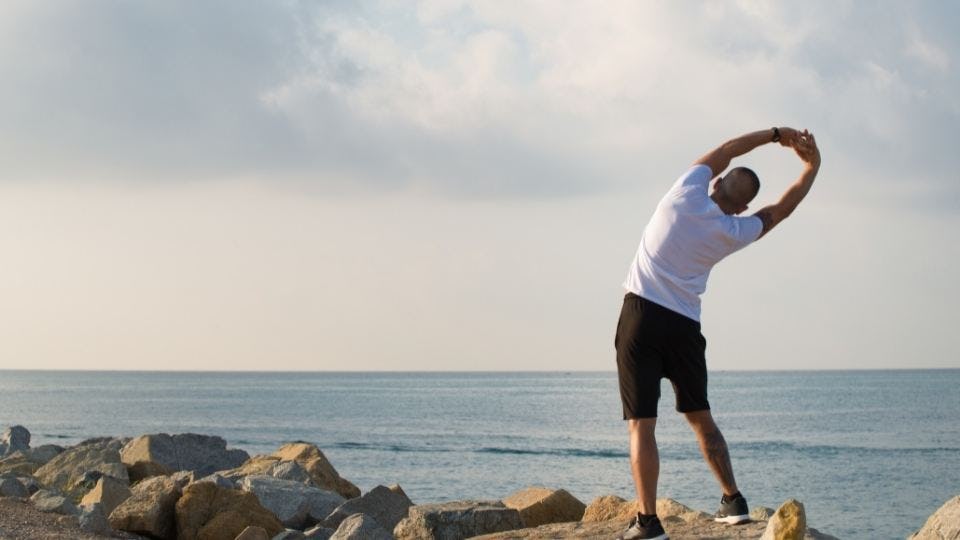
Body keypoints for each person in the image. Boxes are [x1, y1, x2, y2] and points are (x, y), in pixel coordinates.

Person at [614, 127, 821, 540]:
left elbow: (726, 150)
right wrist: (812, 166)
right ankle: (733, 500)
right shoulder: (733, 232)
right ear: (743, 206)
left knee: (642, 425)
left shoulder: (684, 194)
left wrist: (776, 135)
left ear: (715, 182)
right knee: (701, 419)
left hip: (642, 315)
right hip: (685, 326)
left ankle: (648, 522)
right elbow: (781, 209)